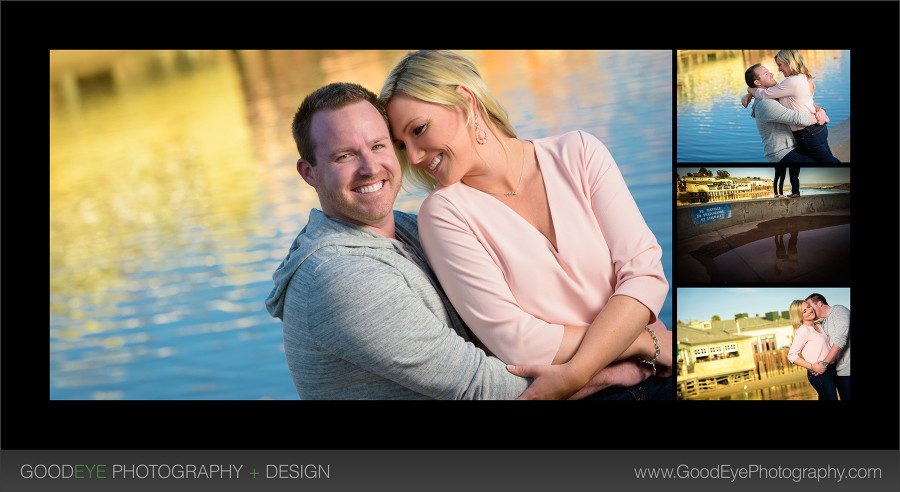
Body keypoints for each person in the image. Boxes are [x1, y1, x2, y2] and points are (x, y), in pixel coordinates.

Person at [265, 82, 653, 400]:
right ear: (308, 172)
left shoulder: (408, 230)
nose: (371, 168)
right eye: (344, 155)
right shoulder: (339, 277)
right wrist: (629, 354)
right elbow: (482, 388)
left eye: (380, 146)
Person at [380, 50, 673, 400]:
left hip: (662, 371)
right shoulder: (444, 214)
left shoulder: (579, 153)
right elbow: (519, 342)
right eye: (402, 145)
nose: (412, 156)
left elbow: (644, 275)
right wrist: (637, 342)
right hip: (613, 382)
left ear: (465, 101)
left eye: (419, 130)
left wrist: (584, 366)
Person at [743, 50, 840, 163]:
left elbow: (802, 105)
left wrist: (821, 111)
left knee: (830, 163)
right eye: (766, 74)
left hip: (806, 136)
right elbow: (799, 118)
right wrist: (821, 117)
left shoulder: (785, 86)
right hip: (784, 152)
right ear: (757, 83)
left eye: (779, 65)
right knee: (829, 163)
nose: (775, 72)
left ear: (789, 62)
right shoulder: (766, 103)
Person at [786, 300, 838, 400]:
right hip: (820, 374)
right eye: (804, 311)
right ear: (799, 317)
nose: (809, 310)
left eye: (809, 307)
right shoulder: (803, 330)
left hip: (831, 368)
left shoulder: (818, 325)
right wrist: (812, 366)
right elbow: (791, 355)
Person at [805, 293, 850, 400]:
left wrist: (824, 363)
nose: (810, 310)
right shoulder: (823, 323)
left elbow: (840, 339)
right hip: (836, 372)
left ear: (820, 304)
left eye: (810, 306)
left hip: (848, 370)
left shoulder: (839, 311)